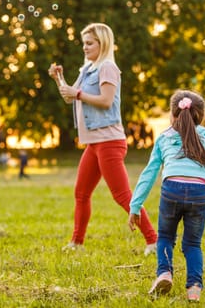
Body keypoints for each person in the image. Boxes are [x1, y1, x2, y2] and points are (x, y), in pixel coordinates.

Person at [48, 23, 157, 254]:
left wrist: (76, 93)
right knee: (81, 193)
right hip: (94, 144)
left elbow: (106, 100)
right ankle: (76, 243)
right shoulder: (87, 69)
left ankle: (153, 240)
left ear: (102, 43)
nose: (85, 47)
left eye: (89, 43)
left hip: (109, 141)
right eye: (84, 43)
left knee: (122, 195)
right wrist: (59, 79)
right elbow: (70, 97)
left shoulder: (107, 68)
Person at [128, 90, 205, 302]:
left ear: (173, 115)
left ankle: (164, 273)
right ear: (200, 115)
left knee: (165, 237)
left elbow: (149, 173)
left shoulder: (164, 137)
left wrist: (135, 206)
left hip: (172, 188)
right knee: (192, 243)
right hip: (201, 192)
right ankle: (194, 288)